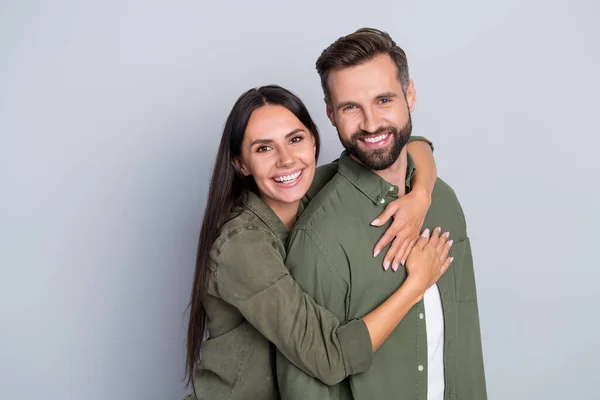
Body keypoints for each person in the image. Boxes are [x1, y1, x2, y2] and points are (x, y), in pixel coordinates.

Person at [184, 85, 450, 399]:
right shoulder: (242, 247)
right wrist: (416, 284)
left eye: (295, 139)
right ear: (241, 164)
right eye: (264, 148)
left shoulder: (315, 190)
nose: (286, 160)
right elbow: (329, 356)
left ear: (313, 141)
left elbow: (410, 148)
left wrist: (420, 197)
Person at [276, 28, 487, 400]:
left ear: (411, 95)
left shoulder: (443, 201)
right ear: (331, 114)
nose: (371, 124)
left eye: (384, 100)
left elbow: (465, 338)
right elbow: (306, 386)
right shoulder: (320, 236)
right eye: (350, 107)